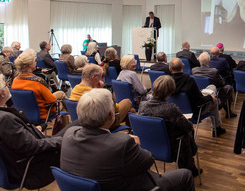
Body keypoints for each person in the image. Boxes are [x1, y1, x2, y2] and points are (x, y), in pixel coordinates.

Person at [60, 89, 194, 191]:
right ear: (111, 115)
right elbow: (148, 160)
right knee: (186, 175)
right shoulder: (122, 144)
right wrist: (136, 146)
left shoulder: (69, 134)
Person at [0, 75, 62, 189]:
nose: (9, 87)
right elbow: (32, 146)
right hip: (31, 168)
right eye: (6, 85)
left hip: (18, 160)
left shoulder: (5, 118)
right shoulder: (5, 119)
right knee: (74, 133)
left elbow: (16, 139)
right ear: (1, 93)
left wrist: (31, 130)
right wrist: (60, 141)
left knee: (73, 130)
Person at [138, 75, 201, 176]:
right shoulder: (170, 109)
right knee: (186, 133)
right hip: (172, 147)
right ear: (170, 91)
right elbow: (188, 127)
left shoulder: (142, 106)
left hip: (149, 145)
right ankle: (190, 166)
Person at [169, 57, 226, 137]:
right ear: (183, 66)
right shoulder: (189, 80)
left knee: (211, 87)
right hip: (195, 111)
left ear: (170, 69)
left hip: (176, 111)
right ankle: (217, 128)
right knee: (214, 99)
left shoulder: (168, 82)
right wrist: (210, 98)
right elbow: (199, 101)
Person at [69, 64, 135, 130]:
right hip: (103, 124)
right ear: (93, 77)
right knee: (127, 102)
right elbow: (115, 109)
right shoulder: (94, 94)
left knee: (131, 111)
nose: (102, 80)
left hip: (81, 123)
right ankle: (133, 131)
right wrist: (102, 90)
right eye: (100, 77)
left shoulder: (75, 89)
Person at [12, 49, 66, 120]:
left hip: (23, 114)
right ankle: (69, 122)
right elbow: (51, 100)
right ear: (30, 65)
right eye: (34, 61)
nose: (35, 62)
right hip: (42, 113)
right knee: (61, 95)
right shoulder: (37, 82)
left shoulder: (15, 81)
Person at [192, 52, 236, 118]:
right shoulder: (213, 71)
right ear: (209, 61)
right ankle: (226, 110)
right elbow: (222, 83)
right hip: (213, 94)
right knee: (229, 87)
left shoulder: (194, 70)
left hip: (200, 94)